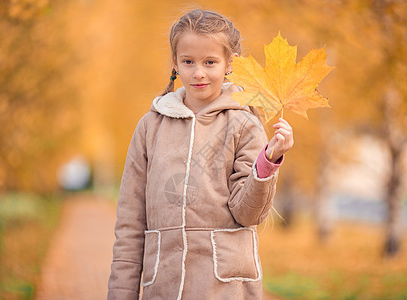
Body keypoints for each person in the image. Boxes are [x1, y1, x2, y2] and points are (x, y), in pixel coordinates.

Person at [108, 9, 294, 300]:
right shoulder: (150, 127)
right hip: (164, 288)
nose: (198, 72)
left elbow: (248, 214)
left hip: (225, 290)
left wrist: (267, 162)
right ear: (175, 62)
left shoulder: (244, 124)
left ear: (229, 63)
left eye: (210, 62)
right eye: (188, 61)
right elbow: (130, 223)